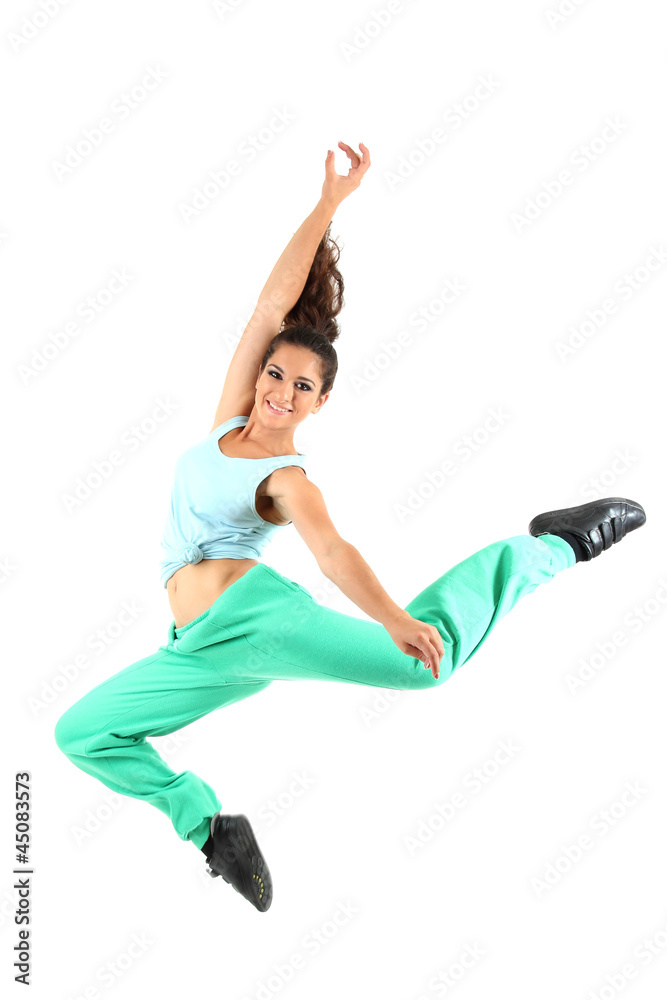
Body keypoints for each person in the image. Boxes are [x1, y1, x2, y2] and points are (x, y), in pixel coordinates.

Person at [53, 141, 646, 913]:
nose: (280, 392)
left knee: (424, 666)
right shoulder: (227, 423)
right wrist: (329, 204)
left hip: (256, 621)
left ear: (317, 404)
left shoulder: (285, 479)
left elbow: (331, 552)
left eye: (301, 387)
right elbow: (271, 308)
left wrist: (396, 618)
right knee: (83, 732)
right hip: (197, 650)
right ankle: (210, 829)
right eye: (276, 374)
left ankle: (550, 546)